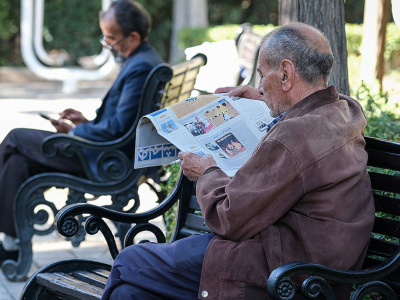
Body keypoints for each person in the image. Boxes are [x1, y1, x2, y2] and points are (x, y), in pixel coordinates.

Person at [101, 22, 375, 300]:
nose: (258, 85)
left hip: (283, 271)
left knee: (129, 262)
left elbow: (228, 217)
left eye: (261, 75)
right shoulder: (345, 110)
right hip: (311, 261)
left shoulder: (295, 136)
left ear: (286, 73)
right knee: (129, 294)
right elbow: (304, 109)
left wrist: (206, 172)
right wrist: (264, 98)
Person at [0, 0, 163, 262]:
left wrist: (78, 133)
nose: (107, 45)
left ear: (133, 37)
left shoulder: (140, 66)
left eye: (111, 38)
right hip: (107, 153)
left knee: (16, 138)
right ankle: (10, 244)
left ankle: (9, 243)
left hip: (105, 160)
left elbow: (119, 129)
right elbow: (120, 124)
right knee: (18, 160)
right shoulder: (143, 59)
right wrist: (83, 123)